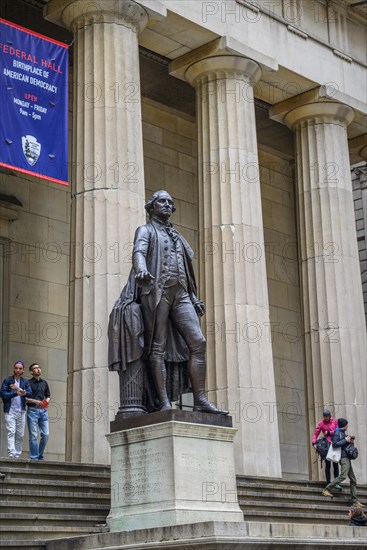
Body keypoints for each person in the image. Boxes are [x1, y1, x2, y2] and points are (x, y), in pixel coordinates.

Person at [109, 190, 227, 415]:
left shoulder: (177, 236)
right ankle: (163, 402)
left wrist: (193, 297)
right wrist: (141, 269)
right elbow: (139, 252)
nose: (166, 205)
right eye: (161, 201)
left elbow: (186, 269)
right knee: (157, 347)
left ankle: (200, 398)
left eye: (170, 203)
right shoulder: (145, 230)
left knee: (198, 342)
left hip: (181, 293)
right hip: (156, 291)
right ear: (151, 207)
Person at [322, 418, 364, 506]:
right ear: (344, 425)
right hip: (343, 458)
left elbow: (344, 446)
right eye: (347, 424)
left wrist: (350, 442)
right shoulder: (337, 433)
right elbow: (334, 444)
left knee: (353, 479)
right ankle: (326, 489)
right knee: (343, 476)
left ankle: (355, 500)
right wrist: (345, 440)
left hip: (347, 457)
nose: (348, 426)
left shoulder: (342, 433)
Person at [0, 361, 31, 458]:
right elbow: (3, 395)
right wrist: (16, 393)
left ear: (23, 370)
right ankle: (11, 454)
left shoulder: (25, 382)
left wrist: (18, 389)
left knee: (20, 435)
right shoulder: (7, 380)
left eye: (20, 368)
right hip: (10, 411)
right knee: (11, 432)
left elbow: (30, 393)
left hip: (21, 411)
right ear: (14, 369)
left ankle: (17, 456)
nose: (18, 370)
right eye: (16, 368)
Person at [26, 363, 51, 461]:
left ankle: (39, 455)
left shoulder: (44, 383)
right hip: (32, 411)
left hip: (43, 411)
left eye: (39, 367)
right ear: (31, 372)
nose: (38, 369)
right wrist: (36, 402)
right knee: (33, 435)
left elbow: (48, 396)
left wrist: (45, 403)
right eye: (35, 368)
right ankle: (34, 458)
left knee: (46, 434)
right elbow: (25, 398)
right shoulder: (27, 383)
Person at [312, 408, 340, 486]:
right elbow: (316, 433)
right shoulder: (321, 423)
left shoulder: (335, 421)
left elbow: (338, 430)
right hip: (327, 446)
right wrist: (314, 442)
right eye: (325, 417)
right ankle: (328, 482)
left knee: (335, 464)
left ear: (330, 416)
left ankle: (336, 482)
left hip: (334, 444)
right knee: (327, 465)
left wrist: (329, 432)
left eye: (327, 417)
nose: (326, 418)